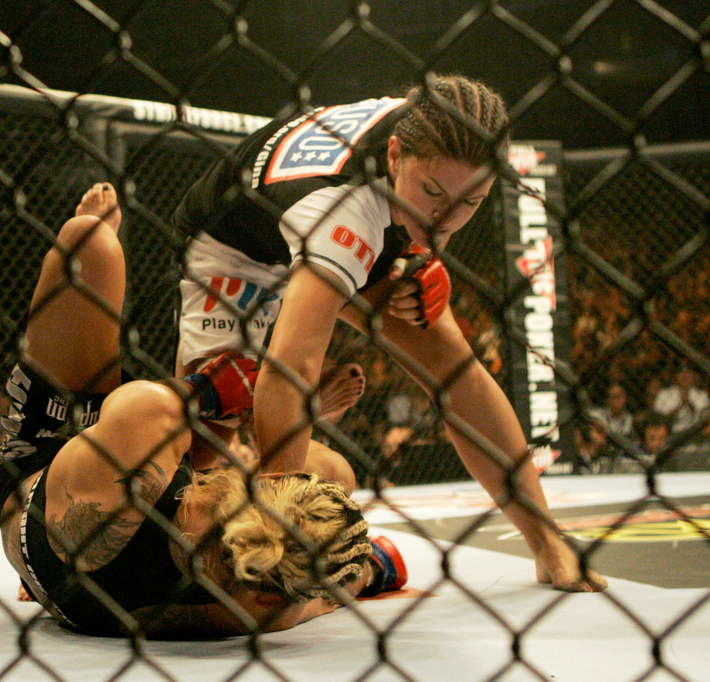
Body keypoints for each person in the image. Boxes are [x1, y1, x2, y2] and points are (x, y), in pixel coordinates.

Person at [172, 74, 606, 592]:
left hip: (343, 211)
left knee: (451, 361)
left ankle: (546, 540)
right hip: (235, 246)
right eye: (433, 193)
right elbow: (291, 367)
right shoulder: (345, 211)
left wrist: (416, 257)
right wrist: (279, 523)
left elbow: (436, 209)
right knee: (204, 445)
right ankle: (274, 535)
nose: (445, 218)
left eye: (471, 202)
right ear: (396, 155)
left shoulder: (444, 127)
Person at [0, 184, 405, 638]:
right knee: (335, 474)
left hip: (43, 468)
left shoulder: (140, 435)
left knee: (89, 242)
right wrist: (370, 570)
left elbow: (136, 409)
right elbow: (329, 591)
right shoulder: (267, 607)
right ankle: (256, 418)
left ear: (267, 480)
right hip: (86, 579)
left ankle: (250, 411)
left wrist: (205, 392)